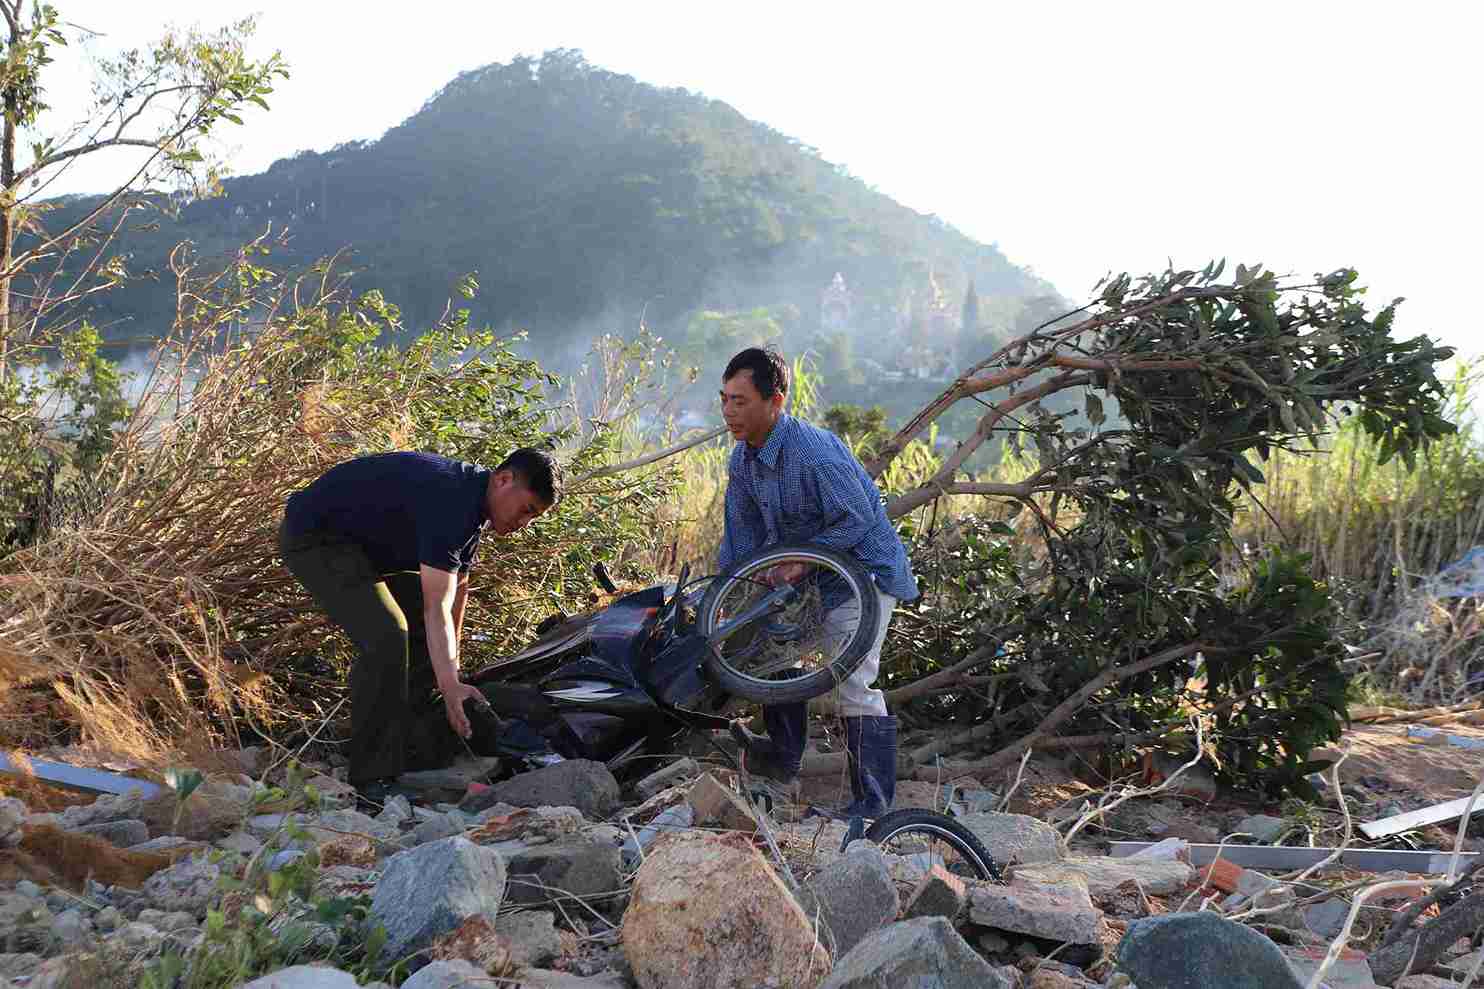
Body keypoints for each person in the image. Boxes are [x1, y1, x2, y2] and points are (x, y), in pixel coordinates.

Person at [279, 448, 561, 804]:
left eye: (535, 517)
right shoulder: (453, 500)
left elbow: (457, 590)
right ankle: (371, 778)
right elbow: (437, 607)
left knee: (424, 629)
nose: (525, 523)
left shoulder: (473, 506)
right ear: (504, 480)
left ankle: (406, 743)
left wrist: (452, 676)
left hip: (362, 552)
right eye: (527, 509)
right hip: (315, 540)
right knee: (388, 634)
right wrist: (449, 686)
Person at [718, 348, 917, 818]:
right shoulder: (742, 461)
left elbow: (858, 518)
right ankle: (783, 765)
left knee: (854, 683)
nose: (728, 412)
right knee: (771, 654)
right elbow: (740, 540)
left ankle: (872, 806)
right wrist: (724, 598)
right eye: (724, 399)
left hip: (863, 575)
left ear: (776, 401)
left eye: (740, 401)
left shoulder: (814, 453)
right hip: (809, 583)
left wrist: (801, 562)